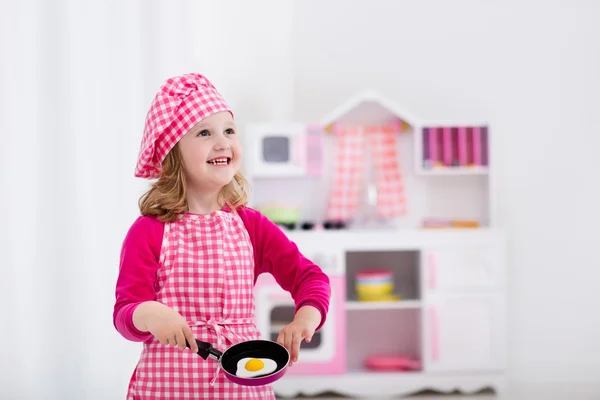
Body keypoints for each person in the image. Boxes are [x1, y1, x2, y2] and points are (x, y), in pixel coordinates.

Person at [112, 73, 331, 399]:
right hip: (168, 385)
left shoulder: (251, 225)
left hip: (239, 384)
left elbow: (310, 277)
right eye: (204, 132)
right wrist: (148, 313)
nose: (223, 142)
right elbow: (125, 312)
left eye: (229, 130)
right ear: (174, 154)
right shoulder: (149, 230)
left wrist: (305, 319)